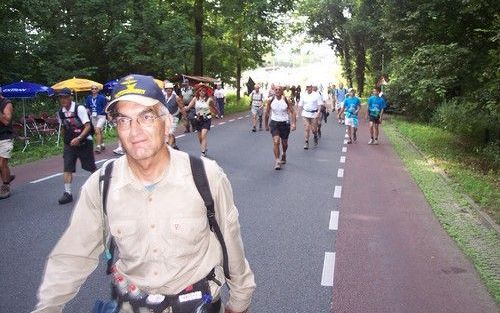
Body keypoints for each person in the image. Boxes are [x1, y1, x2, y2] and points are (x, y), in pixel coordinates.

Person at [32, 74, 255, 313]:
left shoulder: (205, 176)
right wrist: (47, 307)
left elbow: (230, 242)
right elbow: (73, 255)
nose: (134, 131)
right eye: (124, 120)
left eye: (146, 117)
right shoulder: (102, 184)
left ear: (167, 123)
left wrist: (240, 301)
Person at [56, 87, 96, 204]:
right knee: (67, 167)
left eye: (65, 97)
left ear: (70, 97)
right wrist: (66, 141)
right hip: (70, 144)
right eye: (61, 98)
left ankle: (101, 185)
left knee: (90, 167)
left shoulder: (80, 108)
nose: (63, 100)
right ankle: (67, 193)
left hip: (84, 142)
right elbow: (64, 127)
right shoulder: (60, 112)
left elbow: (88, 126)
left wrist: (79, 138)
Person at [264, 85, 296, 170]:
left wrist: (293, 124)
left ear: (282, 91)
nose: (277, 91)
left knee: (284, 143)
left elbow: (293, 112)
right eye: (276, 89)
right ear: (274, 91)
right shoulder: (270, 100)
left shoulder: (286, 100)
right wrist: (266, 125)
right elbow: (267, 113)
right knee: (276, 141)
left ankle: (284, 153)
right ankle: (277, 161)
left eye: (279, 89)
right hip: (274, 123)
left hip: (285, 123)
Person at [186, 83, 219, 157]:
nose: (202, 92)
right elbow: (188, 107)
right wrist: (183, 108)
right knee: (200, 138)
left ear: (206, 92)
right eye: (200, 91)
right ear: (198, 91)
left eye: (203, 91)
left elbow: (214, 108)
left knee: (203, 135)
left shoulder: (209, 99)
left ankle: (203, 152)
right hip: (198, 119)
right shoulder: (195, 99)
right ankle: (205, 148)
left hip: (207, 119)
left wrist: (215, 113)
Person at [298, 83, 323, 149]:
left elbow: (319, 104)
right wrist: (298, 113)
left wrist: (318, 112)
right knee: (307, 128)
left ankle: (315, 135)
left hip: (314, 114)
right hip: (305, 113)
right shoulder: (303, 95)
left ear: (311, 87)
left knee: (313, 129)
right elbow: (300, 105)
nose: (308, 88)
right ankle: (306, 142)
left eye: (309, 87)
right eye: (307, 87)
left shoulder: (316, 95)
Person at [0, 87, 15, 199]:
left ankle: (6, 186)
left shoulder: (6, 103)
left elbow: (6, 120)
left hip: (5, 137)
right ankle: (7, 176)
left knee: (2, 162)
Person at [163, 81, 186, 150]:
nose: (169, 90)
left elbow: (181, 107)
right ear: (165, 90)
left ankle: (170, 150)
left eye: (170, 88)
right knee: (168, 133)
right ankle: (174, 145)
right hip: (166, 117)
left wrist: (184, 117)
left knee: (170, 132)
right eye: (167, 88)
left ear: (172, 89)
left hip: (174, 116)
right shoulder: (163, 97)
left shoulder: (176, 98)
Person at [85, 84, 108, 153]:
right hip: (93, 117)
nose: (94, 90)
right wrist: (89, 114)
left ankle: (98, 147)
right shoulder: (89, 97)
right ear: (91, 90)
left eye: (95, 89)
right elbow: (88, 107)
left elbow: (106, 106)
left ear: (98, 90)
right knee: (98, 131)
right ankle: (102, 144)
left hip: (101, 116)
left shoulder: (102, 97)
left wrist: (105, 113)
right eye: (92, 89)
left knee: (97, 130)